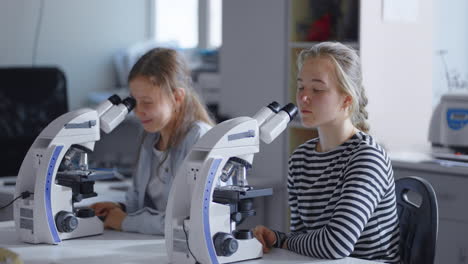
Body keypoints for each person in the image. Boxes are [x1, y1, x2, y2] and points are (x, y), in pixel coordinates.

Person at [253, 42, 400, 263]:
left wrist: (281, 240)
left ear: (346, 100)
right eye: (301, 87)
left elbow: (336, 244)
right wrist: (280, 239)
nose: (303, 97)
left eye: (318, 89)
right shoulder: (300, 159)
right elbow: (302, 239)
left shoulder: (367, 158)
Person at [91, 47, 215, 235]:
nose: (137, 111)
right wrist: (119, 209)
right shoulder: (150, 138)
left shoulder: (199, 139)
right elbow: (141, 206)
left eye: (147, 102)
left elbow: (186, 222)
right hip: (151, 244)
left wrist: (125, 221)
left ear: (177, 97)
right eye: (134, 101)